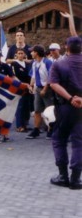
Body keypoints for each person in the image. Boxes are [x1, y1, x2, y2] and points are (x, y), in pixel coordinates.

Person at [49, 36, 82, 189]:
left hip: (65, 107)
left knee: (59, 139)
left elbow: (53, 84)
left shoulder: (59, 64)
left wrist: (70, 99)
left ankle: (63, 175)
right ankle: (76, 178)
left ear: (66, 47)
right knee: (79, 141)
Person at [26, 45, 54, 139]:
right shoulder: (34, 63)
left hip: (47, 88)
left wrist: (45, 89)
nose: (31, 53)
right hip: (38, 88)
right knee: (37, 110)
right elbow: (33, 75)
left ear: (36, 53)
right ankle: (36, 129)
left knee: (49, 110)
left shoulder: (47, 62)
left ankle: (51, 130)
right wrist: (31, 85)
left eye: (32, 51)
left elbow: (51, 77)